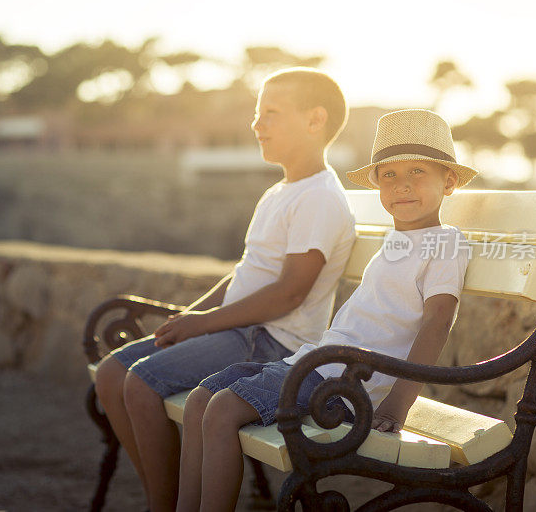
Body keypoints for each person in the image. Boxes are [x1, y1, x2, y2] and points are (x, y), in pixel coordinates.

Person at [179, 108, 479, 512]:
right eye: (389, 174)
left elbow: (438, 320)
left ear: (449, 182)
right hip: (315, 364)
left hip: (346, 383)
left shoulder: (444, 242)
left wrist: (398, 402)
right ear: (377, 185)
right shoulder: (397, 241)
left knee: (220, 411)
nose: (402, 185)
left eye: (417, 172)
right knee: (200, 400)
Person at [93, 67, 356, 512]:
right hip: (240, 330)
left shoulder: (319, 198)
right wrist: (191, 317)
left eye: (271, 113)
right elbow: (245, 272)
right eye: (257, 112)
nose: (257, 124)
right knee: (111, 374)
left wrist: (206, 324)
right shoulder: (280, 192)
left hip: (271, 341)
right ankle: (167, 497)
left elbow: (290, 294)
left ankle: (164, 505)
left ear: (315, 121)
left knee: (140, 384)